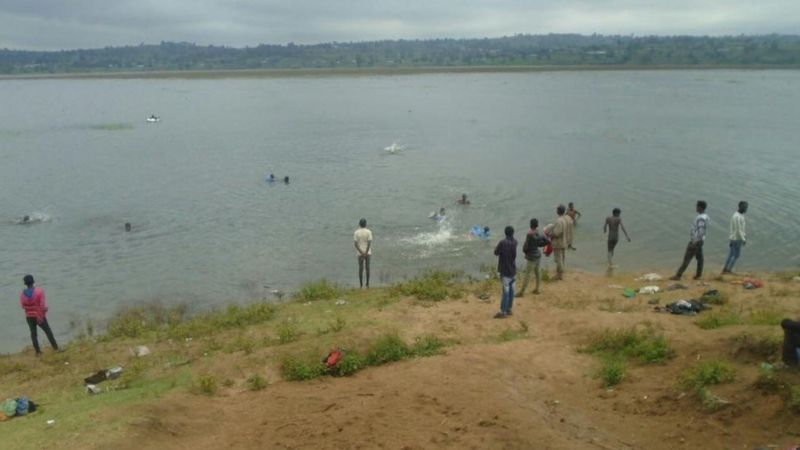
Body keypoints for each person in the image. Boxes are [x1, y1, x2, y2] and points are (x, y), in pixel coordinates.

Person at [19, 275, 59, 356]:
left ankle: (38, 352)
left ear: (25, 283)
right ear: (33, 281)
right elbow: (42, 306)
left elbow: (23, 306)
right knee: (48, 331)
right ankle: (56, 348)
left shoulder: (22, 294)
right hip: (39, 316)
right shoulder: (39, 291)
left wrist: (30, 308)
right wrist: (45, 310)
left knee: (33, 334)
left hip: (29, 317)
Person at [670, 200, 710, 281]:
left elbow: (701, 231)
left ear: (700, 208)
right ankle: (698, 275)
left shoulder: (701, 218)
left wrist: (695, 241)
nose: (696, 207)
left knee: (687, 258)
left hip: (696, 241)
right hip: (700, 241)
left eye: (697, 206)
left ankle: (678, 275)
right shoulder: (706, 216)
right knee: (700, 258)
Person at [518, 218, 547, 296]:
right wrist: (539, 244)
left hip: (531, 257)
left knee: (528, 274)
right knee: (537, 272)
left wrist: (525, 251)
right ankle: (537, 289)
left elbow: (525, 247)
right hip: (538, 255)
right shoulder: (539, 232)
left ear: (530, 224)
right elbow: (545, 241)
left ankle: (522, 292)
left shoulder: (529, 234)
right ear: (537, 225)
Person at [493, 226, 517, 318]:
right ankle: (509, 309)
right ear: (513, 233)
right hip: (513, 269)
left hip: (505, 270)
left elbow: (496, 252)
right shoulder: (515, 242)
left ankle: (503, 312)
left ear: (505, 233)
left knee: (506, 292)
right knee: (512, 291)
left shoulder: (503, 243)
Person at [722, 201, 748, 274]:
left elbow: (740, 228)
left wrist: (743, 235)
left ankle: (725, 269)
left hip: (733, 238)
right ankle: (728, 270)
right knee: (736, 255)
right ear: (740, 207)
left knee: (731, 255)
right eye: (744, 207)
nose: (746, 209)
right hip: (737, 239)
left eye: (746, 207)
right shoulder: (737, 217)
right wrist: (743, 239)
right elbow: (738, 229)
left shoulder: (739, 215)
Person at [550, 204, 574, 280]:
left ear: (558, 211)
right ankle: (561, 272)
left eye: (557, 209)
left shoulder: (559, 220)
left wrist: (550, 234)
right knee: (562, 257)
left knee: (558, 259)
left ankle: (559, 275)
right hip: (565, 241)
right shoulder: (567, 218)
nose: (556, 211)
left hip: (558, 243)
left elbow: (556, 233)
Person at [354, 218, 373, 288]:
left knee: (360, 268)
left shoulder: (356, 232)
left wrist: (361, 253)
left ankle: (361, 284)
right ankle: (367, 283)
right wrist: (366, 252)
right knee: (367, 268)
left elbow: (355, 244)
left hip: (360, 253)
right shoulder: (369, 232)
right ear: (366, 224)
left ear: (359, 224)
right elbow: (369, 243)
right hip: (368, 253)